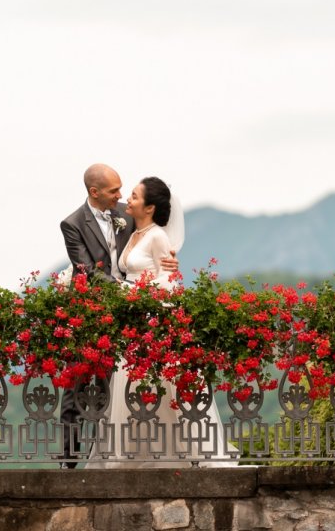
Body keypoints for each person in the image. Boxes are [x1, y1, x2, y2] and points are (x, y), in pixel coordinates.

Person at [86, 176, 234, 468]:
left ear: (150, 207)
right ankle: (133, 456)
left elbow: (168, 283)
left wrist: (134, 293)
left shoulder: (157, 237)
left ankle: (171, 457)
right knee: (133, 391)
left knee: (161, 391)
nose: (127, 199)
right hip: (133, 324)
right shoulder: (133, 231)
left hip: (151, 322)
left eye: (135, 196)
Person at [57, 164, 178, 467]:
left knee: (119, 388)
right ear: (94, 192)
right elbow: (87, 271)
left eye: (124, 191)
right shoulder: (72, 224)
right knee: (77, 389)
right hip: (92, 312)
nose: (122, 197)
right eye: (114, 192)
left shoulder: (127, 213)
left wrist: (168, 263)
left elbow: (153, 234)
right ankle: (68, 464)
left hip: (128, 316)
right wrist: (127, 290)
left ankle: (119, 455)